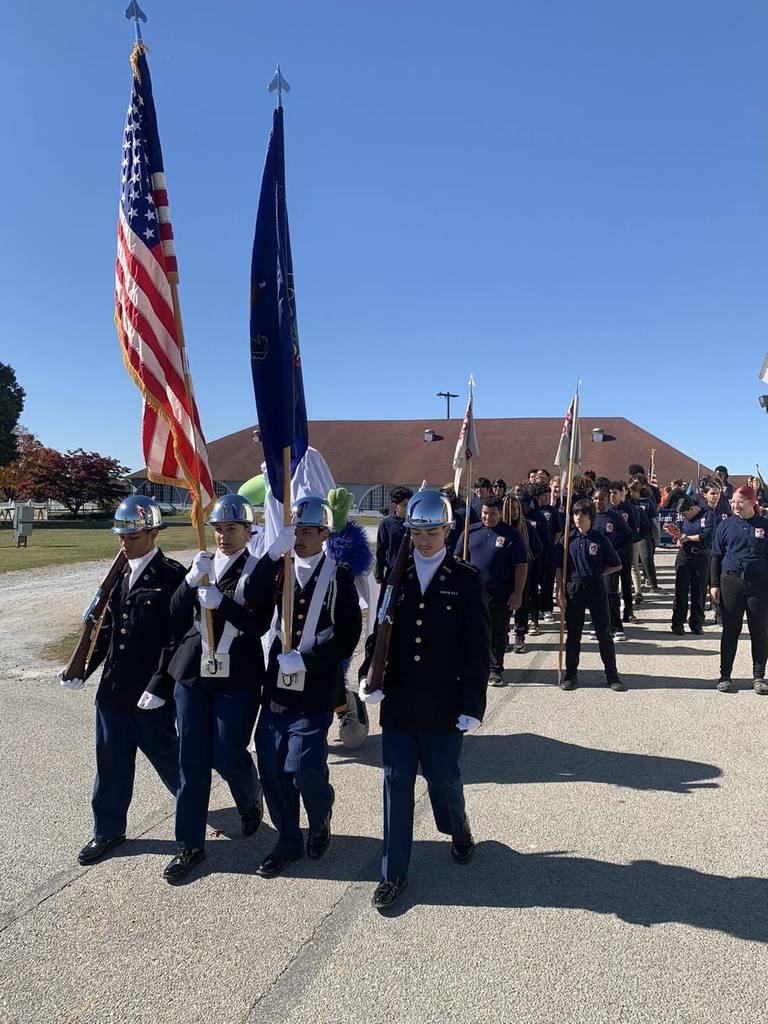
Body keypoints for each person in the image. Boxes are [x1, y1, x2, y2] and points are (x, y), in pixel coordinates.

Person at [359, 488, 490, 911]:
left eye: (433, 530)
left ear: (448, 529)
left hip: (443, 702)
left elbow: (476, 647)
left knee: (443, 780)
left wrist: (473, 703)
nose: (425, 538)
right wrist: (368, 675)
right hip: (399, 700)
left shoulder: (466, 579)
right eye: (417, 530)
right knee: (396, 783)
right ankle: (393, 873)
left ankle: (459, 827)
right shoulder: (395, 576)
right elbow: (379, 635)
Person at [163, 494, 292, 883]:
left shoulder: (258, 568)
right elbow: (173, 614)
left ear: (248, 531)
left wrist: (221, 603)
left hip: (237, 674)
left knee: (226, 750)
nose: (222, 536)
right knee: (191, 758)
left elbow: (259, 626)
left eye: (231, 529)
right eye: (218, 528)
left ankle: (249, 795)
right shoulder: (202, 561)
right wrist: (188, 583)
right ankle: (190, 844)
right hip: (193, 673)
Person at [61, 496, 186, 866]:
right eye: (121, 535)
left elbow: (178, 639)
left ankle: (191, 829)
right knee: (111, 768)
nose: (124, 542)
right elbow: (108, 630)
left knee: (173, 765)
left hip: (151, 695)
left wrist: (161, 685)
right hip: (113, 693)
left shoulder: (173, 576)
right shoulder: (118, 576)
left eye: (132, 536)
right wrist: (83, 667)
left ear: (152, 533)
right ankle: (108, 831)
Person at [254, 496, 362, 876]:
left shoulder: (338, 575)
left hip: (315, 689)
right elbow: (252, 600)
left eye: (306, 531)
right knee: (271, 766)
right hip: (276, 689)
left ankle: (319, 815)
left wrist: (309, 659)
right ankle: (287, 840)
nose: (299, 538)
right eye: (294, 530)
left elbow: (349, 633)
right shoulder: (279, 571)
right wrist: (270, 556)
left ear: (323, 534)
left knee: (303, 768)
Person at [555, 499, 624, 692]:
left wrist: (597, 572)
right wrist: (559, 591)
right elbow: (559, 567)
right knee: (573, 635)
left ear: (590, 517)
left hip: (595, 588)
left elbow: (616, 564)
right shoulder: (567, 539)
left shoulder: (600, 539)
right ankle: (571, 675)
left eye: (582, 515)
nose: (578, 519)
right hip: (573, 589)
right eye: (575, 514)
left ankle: (612, 675)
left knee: (604, 634)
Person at [458, 494, 527, 685]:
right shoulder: (470, 531)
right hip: (472, 593)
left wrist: (517, 593)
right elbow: (458, 559)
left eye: (493, 514)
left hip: (500, 593)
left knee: (497, 632)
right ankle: (474, 666)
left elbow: (521, 565)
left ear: (500, 514)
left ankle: (495, 669)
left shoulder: (512, 535)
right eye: (485, 513)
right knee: (472, 631)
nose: (488, 517)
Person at [710, 485, 768, 694]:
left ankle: (759, 676)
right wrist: (714, 584)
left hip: (759, 584)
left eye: (740, 501)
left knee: (759, 630)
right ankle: (725, 675)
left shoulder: (764, 525)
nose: (735, 505)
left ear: (752, 502)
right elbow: (716, 555)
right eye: (733, 501)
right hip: (731, 583)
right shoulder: (725, 525)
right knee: (731, 630)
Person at [503, 493, 542, 652]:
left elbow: (538, 547)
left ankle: (520, 634)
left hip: (523, 572)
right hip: (503, 574)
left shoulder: (526, 527)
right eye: (510, 509)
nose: (514, 512)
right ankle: (503, 636)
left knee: (522, 604)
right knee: (503, 607)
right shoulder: (499, 529)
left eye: (516, 509)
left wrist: (528, 559)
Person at [669, 496, 715, 635]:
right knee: (681, 591)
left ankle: (696, 623)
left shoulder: (708, 515)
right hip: (685, 555)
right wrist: (677, 537)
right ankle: (678, 623)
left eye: (685, 513)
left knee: (699, 591)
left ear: (693, 508)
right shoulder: (684, 519)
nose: (684, 516)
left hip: (701, 555)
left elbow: (707, 534)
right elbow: (681, 531)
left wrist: (689, 538)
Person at [593, 487, 632, 641]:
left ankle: (616, 626)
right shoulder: (590, 517)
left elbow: (628, 535)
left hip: (610, 563)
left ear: (607, 500)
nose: (598, 502)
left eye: (601, 499)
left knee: (611, 593)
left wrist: (620, 553)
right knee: (595, 595)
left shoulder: (615, 517)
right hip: (593, 562)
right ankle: (597, 625)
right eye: (595, 499)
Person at [608, 481, 639, 624]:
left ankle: (628, 611)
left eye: (615, 492)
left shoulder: (629, 509)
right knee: (610, 584)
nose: (611, 496)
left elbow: (634, 529)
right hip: (609, 551)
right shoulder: (607, 509)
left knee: (625, 581)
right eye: (610, 493)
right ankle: (610, 612)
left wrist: (625, 547)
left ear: (623, 493)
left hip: (625, 550)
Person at [532, 482, 562, 622]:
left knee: (547, 580)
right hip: (532, 553)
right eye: (543, 496)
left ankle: (547, 608)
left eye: (547, 495)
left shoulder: (551, 511)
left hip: (548, 550)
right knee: (533, 581)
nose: (546, 498)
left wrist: (553, 544)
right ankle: (534, 610)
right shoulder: (530, 511)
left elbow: (558, 531)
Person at [375, 486, 413, 584]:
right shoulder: (386, 523)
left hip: (412, 571)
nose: (407, 508)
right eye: (404, 505)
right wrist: (379, 578)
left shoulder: (414, 522)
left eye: (409, 504)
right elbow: (381, 551)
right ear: (395, 505)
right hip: (392, 571)